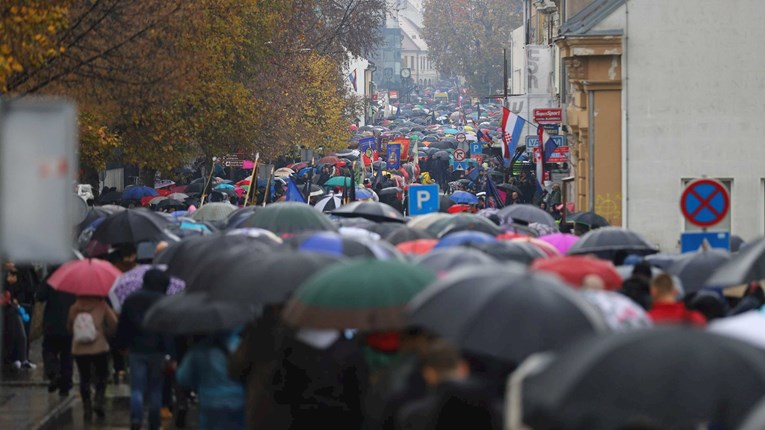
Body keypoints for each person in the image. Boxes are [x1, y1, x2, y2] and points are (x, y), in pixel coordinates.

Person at [272, 328, 368, 429]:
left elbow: (278, 385)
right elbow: (356, 403)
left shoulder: (293, 340)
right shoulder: (349, 355)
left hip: (289, 416)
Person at [115, 269, 173, 430]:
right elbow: (169, 329)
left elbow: (123, 326)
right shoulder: (165, 301)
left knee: (137, 388)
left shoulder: (131, 299)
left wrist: (121, 345)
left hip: (137, 350)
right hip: (159, 351)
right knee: (156, 389)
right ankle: (154, 423)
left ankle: (136, 418)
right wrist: (172, 352)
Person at [176, 332, 246, 430]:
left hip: (210, 402)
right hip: (238, 400)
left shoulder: (199, 350)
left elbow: (183, 378)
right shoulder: (241, 347)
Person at [68, 293, 119, 419]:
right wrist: (105, 333)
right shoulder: (102, 306)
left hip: (79, 348)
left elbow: (69, 328)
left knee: (84, 377)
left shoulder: (74, 307)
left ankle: (87, 407)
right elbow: (113, 324)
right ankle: (99, 400)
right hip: (99, 347)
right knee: (102, 375)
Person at [36, 275, 76, 396]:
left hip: (52, 323)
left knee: (48, 350)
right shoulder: (74, 279)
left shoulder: (51, 278)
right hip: (69, 322)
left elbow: (40, 296)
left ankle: (54, 373)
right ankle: (65, 384)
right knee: (67, 354)